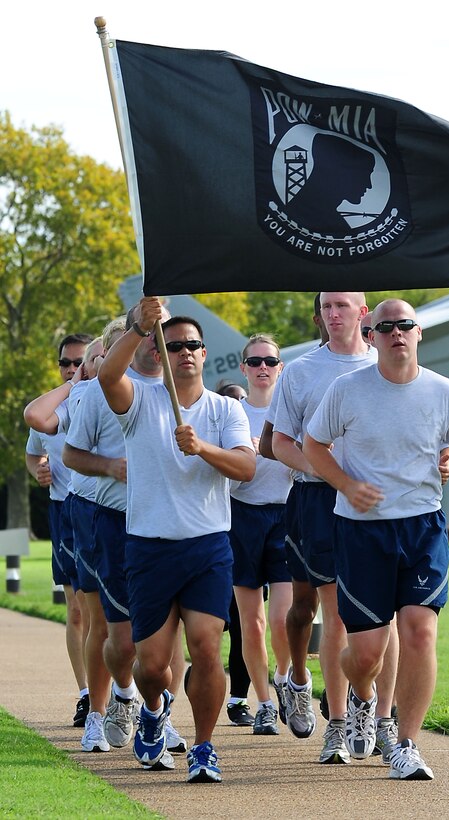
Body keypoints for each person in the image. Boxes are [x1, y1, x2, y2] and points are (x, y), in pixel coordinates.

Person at [303, 298, 449, 781]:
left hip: (422, 525)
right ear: (371, 333)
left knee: (420, 629)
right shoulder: (348, 389)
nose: (397, 333)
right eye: (386, 327)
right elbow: (312, 445)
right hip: (361, 532)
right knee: (366, 657)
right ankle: (359, 697)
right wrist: (345, 485)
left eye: (405, 325)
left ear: (418, 332)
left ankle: (406, 743)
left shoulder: (443, 390)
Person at [97, 297, 255, 784]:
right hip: (148, 546)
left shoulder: (227, 409)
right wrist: (137, 329)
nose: (185, 351)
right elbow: (106, 378)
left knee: (207, 648)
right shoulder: (140, 401)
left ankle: (205, 748)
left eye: (193, 345)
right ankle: (152, 707)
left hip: (207, 546)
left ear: (205, 354)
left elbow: (247, 468)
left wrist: (202, 447)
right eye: (175, 344)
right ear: (157, 349)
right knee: (151, 665)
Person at [63, 305, 186, 763]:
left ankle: (160, 715)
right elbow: (73, 456)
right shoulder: (100, 392)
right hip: (111, 521)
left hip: (168, 525)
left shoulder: (184, 390)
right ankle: (113, 699)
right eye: (152, 334)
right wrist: (111, 467)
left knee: (167, 631)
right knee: (116, 634)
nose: (160, 344)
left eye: (167, 337)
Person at [270, 292, 387, 766]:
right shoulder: (300, 371)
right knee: (304, 608)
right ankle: (298, 678)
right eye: (327, 307)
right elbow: (278, 442)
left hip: (372, 500)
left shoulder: (386, 361)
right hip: (315, 499)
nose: (334, 314)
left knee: (357, 614)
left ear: (363, 314)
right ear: (319, 315)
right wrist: (322, 469)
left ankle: (349, 720)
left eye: (343, 306)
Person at [24, 332, 93, 727]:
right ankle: (86, 693)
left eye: (78, 362)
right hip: (63, 510)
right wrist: (40, 472)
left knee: (107, 610)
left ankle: (120, 692)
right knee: (78, 609)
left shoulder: (107, 397)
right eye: (66, 363)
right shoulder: (53, 404)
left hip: (99, 510)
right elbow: (34, 451)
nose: (72, 369)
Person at [229, 334, 293, 736]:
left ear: (280, 367)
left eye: (270, 361)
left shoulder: (292, 412)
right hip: (242, 517)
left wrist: (275, 448)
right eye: (255, 362)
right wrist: (244, 454)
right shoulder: (230, 413)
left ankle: (286, 678)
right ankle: (264, 702)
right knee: (251, 624)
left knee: (283, 617)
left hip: (286, 515)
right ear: (244, 368)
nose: (262, 368)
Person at [215, 380, 254, 727]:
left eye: (242, 400)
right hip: (210, 541)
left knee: (243, 626)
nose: (237, 406)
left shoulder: (247, 440)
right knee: (212, 627)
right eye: (230, 401)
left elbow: (245, 479)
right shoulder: (209, 437)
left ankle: (238, 699)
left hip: (245, 541)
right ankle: (202, 680)